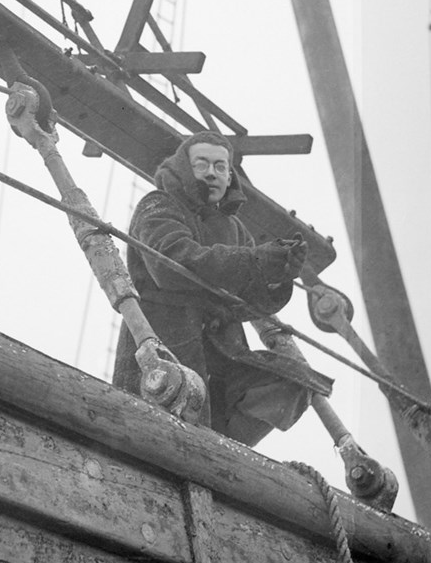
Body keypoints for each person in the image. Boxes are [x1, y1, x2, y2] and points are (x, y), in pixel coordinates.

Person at [112, 131, 320, 445]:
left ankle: (220, 447)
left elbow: (247, 303)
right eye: (202, 164)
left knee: (293, 384)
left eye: (221, 167)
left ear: (229, 176)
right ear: (183, 167)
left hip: (222, 353)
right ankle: (199, 442)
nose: (212, 172)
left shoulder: (235, 228)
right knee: (163, 417)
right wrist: (254, 260)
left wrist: (277, 274)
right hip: (169, 342)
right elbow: (171, 263)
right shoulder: (158, 205)